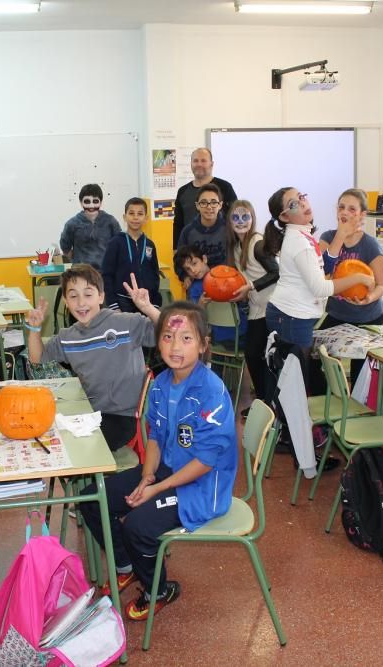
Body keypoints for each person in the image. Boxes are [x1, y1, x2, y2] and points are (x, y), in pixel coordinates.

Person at [79, 301, 237, 622]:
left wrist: (156, 489)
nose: (175, 346)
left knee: (138, 526)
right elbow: (154, 436)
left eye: (186, 339)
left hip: (202, 487)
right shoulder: (162, 383)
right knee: (91, 499)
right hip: (167, 470)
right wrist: (147, 476)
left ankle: (159, 589)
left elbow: (205, 463)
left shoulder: (212, 393)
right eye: (167, 337)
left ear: (204, 344)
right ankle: (127, 565)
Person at [26, 265, 160, 452]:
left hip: (124, 417)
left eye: (88, 294)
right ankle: (80, 479)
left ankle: (91, 479)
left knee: (75, 448)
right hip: (90, 413)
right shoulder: (68, 337)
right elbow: (37, 357)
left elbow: (168, 334)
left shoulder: (126, 324)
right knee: (49, 437)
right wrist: (34, 330)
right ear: (65, 301)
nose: (81, 303)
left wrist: (148, 308)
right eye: (73, 296)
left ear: (101, 296)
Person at [263, 188, 375, 348]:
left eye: (301, 197)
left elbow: (324, 268)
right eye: (294, 204)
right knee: (295, 371)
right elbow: (320, 288)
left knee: (297, 370)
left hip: (292, 316)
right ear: (284, 216)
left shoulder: (303, 235)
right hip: (291, 316)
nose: (302, 203)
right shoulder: (299, 242)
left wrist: (341, 235)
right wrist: (359, 278)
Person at [318, 188, 383, 384]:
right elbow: (322, 276)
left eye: (352, 209)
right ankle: (323, 400)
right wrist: (340, 236)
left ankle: (360, 409)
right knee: (314, 355)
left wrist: (368, 298)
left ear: (362, 215)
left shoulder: (371, 246)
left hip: (368, 317)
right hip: (337, 314)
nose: (345, 212)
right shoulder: (327, 238)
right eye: (341, 207)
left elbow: (381, 285)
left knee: (361, 373)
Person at [224, 200, 278, 400]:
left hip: (271, 307)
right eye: (235, 217)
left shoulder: (257, 243)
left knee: (258, 355)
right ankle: (264, 400)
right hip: (256, 307)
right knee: (253, 355)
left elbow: (276, 272)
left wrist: (251, 287)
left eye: (245, 216)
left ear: (252, 218)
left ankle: (268, 401)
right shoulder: (236, 246)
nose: (240, 221)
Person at [174, 243, 246, 346]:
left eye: (194, 264)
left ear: (204, 259)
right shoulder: (226, 276)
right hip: (239, 335)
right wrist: (201, 305)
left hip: (215, 340)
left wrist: (200, 306)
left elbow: (195, 319)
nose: (193, 271)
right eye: (188, 269)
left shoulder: (194, 288)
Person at [101, 197, 161, 313]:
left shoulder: (150, 244)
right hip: (122, 302)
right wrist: (113, 304)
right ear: (124, 217)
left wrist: (155, 303)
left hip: (146, 302)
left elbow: (155, 275)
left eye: (140, 214)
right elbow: (107, 275)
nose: (135, 217)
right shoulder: (115, 243)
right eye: (131, 213)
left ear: (146, 218)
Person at [172, 148, 237, 250]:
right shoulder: (182, 191)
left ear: (211, 164)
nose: (199, 164)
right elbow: (178, 224)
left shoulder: (225, 187)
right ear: (191, 164)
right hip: (191, 253)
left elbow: (235, 218)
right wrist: (176, 250)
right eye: (195, 161)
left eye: (203, 160)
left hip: (221, 250)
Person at [58, 184, 122, 270]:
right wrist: (77, 261)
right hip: (80, 273)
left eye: (95, 201)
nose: (91, 206)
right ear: (81, 202)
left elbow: (120, 244)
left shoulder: (110, 221)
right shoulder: (72, 224)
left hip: (106, 274)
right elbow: (65, 247)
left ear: (101, 202)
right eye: (87, 201)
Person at [176, 183, 229, 278]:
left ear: (220, 205)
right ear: (197, 206)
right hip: (197, 282)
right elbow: (179, 260)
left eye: (213, 202)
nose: (209, 207)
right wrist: (185, 276)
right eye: (204, 202)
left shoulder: (229, 229)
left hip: (225, 280)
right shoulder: (188, 232)